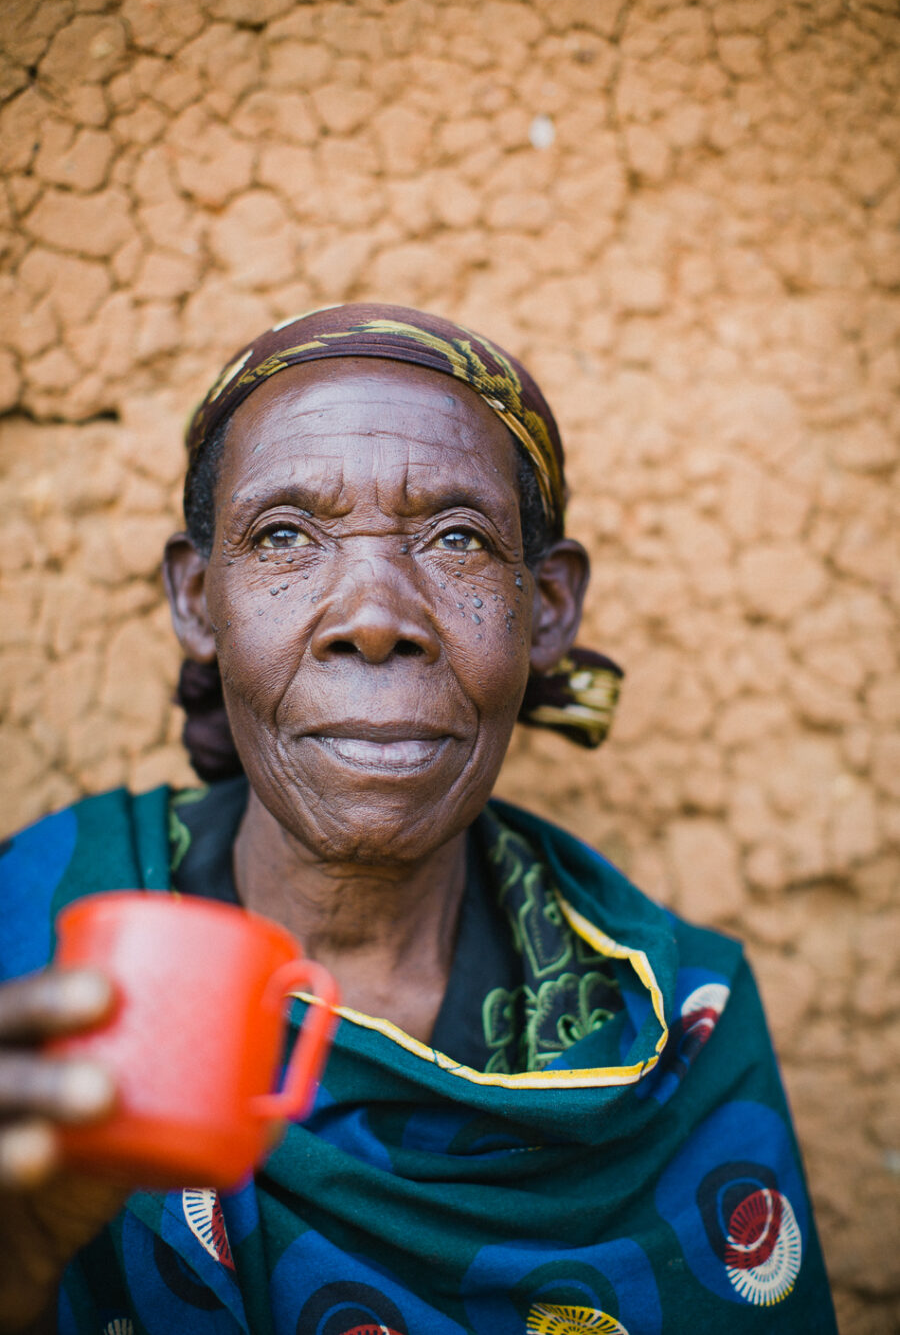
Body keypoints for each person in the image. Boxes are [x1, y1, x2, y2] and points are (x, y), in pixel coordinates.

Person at [0, 304, 837, 1334]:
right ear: (197, 596)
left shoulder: (672, 1025)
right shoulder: (31, 937)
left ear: (549, 607)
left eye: (456, 539)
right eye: (284, 536)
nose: (373, 617)